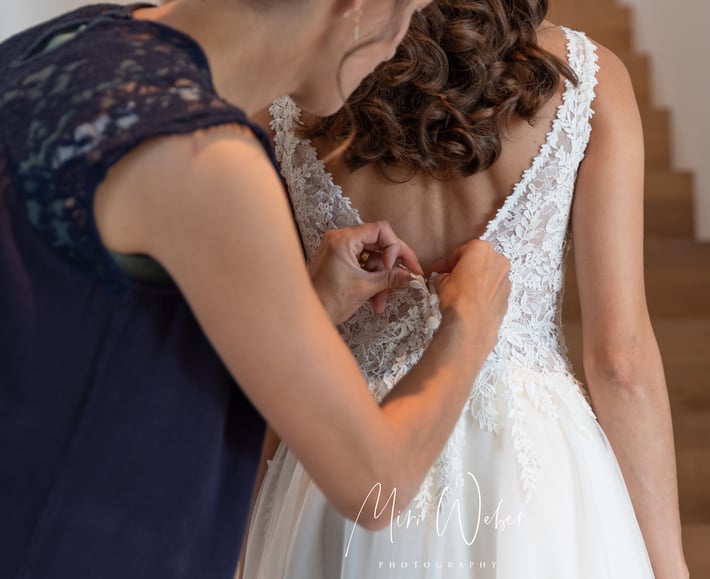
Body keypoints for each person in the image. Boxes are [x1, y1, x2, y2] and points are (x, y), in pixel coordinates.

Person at [0, 1, 513, 578]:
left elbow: (88, 328)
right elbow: (378, 484)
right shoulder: (206, 158)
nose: (401, 41)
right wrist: (470, 323)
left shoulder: (58, 44)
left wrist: (307, 302)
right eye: (407, 10)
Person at [243, 0, 690, 577]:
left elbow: (268, 354)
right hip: (532, 471)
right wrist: (670, 565)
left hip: (348, 463)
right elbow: (621, 363)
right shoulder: (589, 81)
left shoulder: (294, 96)